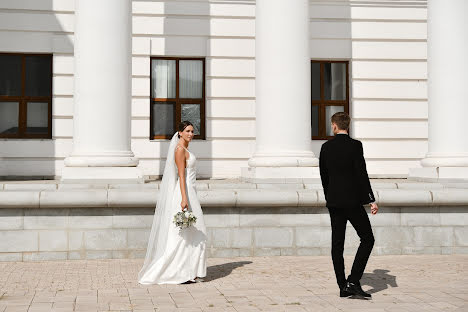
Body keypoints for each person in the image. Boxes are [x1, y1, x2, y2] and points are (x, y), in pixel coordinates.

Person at [138, 121, 207, 284]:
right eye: (188, 131)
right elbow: (181, 177)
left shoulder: (186, 149)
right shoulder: (179, 150)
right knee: (187, 232)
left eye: (192, 131)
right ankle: (181, 271)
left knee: (194, 232)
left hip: (191, 192)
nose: (191, 134)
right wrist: (184, 198)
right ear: (180, 133)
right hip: (185, 192)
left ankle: (192, 271)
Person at [319, 112, 379, 298]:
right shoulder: (356, 146)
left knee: (337, 244)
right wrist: (370, 199)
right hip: (352, 201)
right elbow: (361, 174)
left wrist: (330, 196)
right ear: (348, 126)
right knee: (367, 238)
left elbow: (324, 176)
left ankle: (342, 286)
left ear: (334, 126)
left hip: (334, 202)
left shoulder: (326, 147)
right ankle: (353, 280)